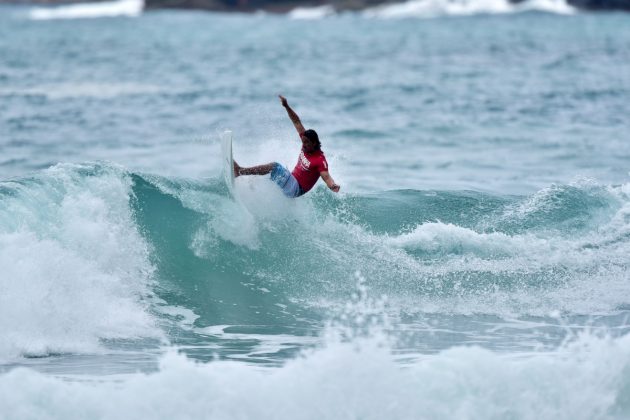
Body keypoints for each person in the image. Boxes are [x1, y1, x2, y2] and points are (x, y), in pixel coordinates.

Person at [234, 95, 340, 198]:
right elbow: (296, 121)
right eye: (303, 142)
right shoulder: (305, 141)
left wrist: (332, 185)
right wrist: (286, 106)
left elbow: (326, 177)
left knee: (274, 167)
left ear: (314, 143)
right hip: (291, 180)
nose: (304, 145)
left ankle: (239, 171)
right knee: (267, 176)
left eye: (307, 143)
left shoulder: (319, 160)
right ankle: (248, 192)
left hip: (295, 189)